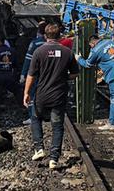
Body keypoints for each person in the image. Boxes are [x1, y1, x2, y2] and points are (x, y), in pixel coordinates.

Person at [24, 23, 79, 169]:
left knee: (35, 118)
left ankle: (39, 148)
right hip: (59, 95)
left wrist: (26, 93)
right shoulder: (67, 52)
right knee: (57, 126)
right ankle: (54, 159)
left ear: (45, 36)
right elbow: (74, 74)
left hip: (41, 95)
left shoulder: (38, 51)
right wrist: (62, 77)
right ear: (60, 36)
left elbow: (31, 75)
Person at [78, 34, 114, 130]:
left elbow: (87, 64)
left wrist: (78, 58)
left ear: (92, 43)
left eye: (90, 45)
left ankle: (112, 124)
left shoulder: (95, 50)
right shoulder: (109, 41)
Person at [0, 34, 22, 119]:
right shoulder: (12, 51)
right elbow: (17, 65)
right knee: (17, 91)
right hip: (9, 75)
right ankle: (23, 106)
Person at [20, 22, 47, 126]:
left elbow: (28, 60)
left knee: (31, 94)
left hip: (35, 74)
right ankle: (44, 114)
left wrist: (23, 74)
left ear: (38, 31)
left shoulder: (34, 43)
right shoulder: (51, 44)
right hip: (47, 74)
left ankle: (32, 117)